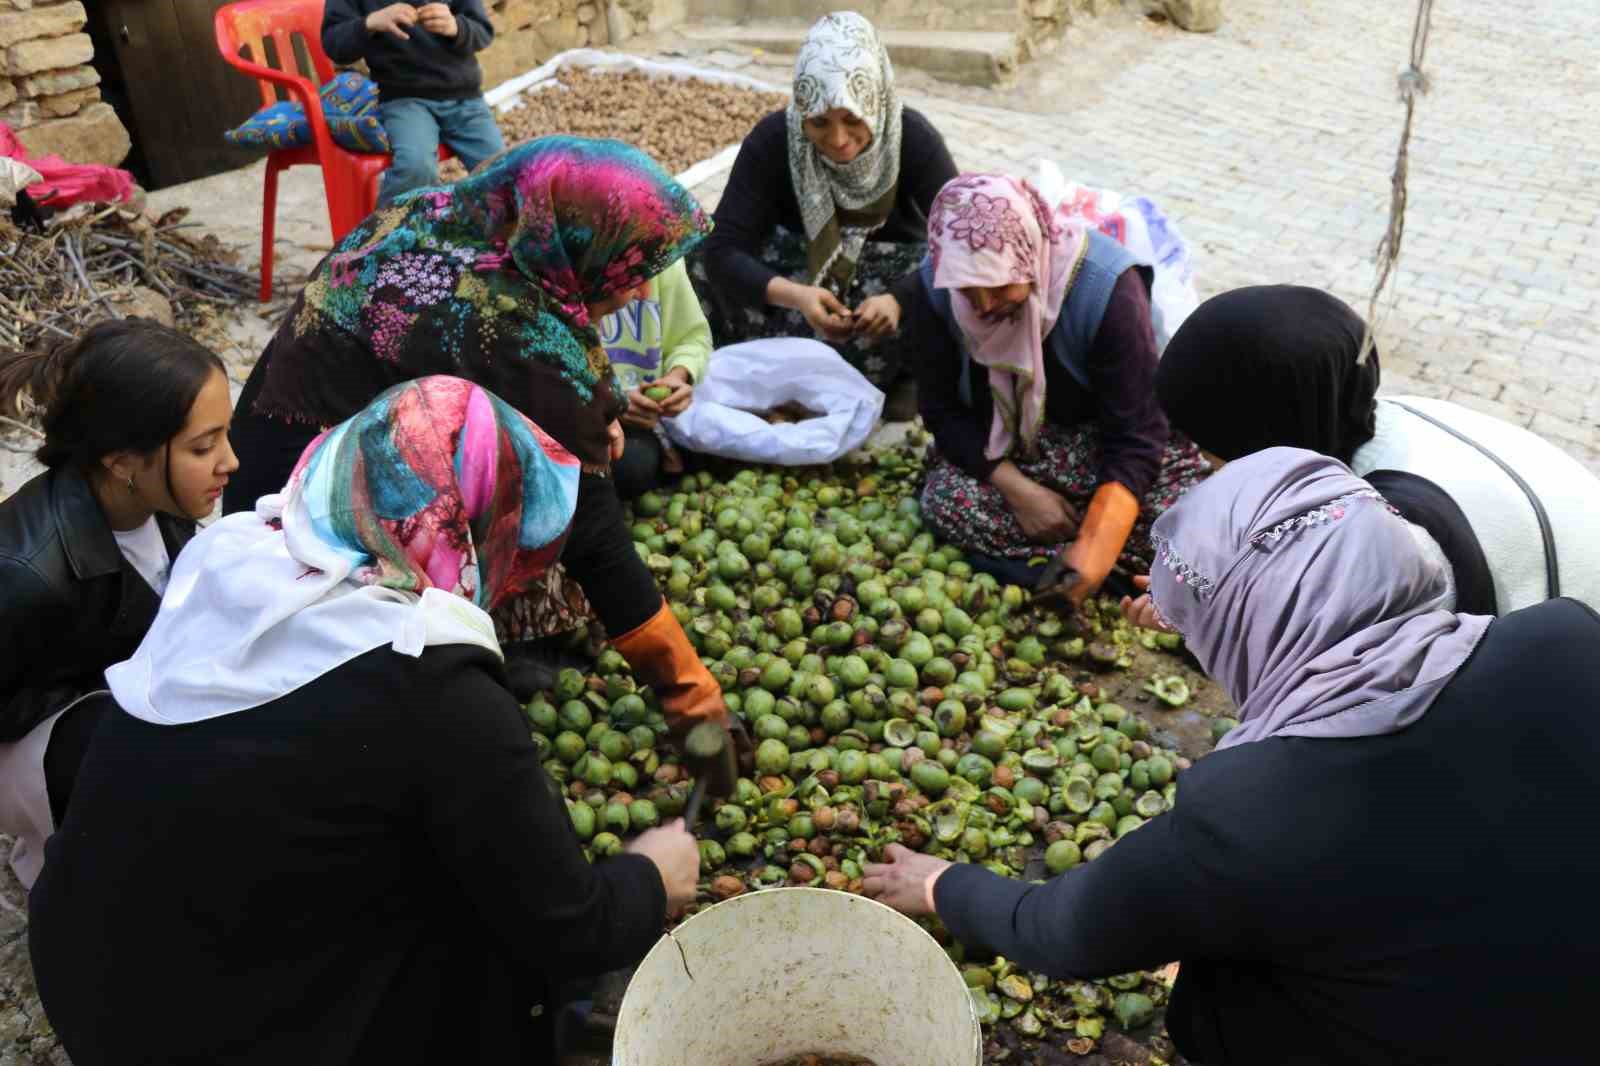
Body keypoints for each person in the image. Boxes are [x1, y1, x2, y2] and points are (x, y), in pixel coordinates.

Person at [30, 376, 701, 1065]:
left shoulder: (232, 554)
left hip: (91, 987)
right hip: (223, 1037)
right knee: (496, 958)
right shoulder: (432, 681)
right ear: (475, 523)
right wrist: (654, 878)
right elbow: (568, 925)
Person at [864, 447, 1600, 1066]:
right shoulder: (1563, 638)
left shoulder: (1251, 808)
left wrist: (940, 883)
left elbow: (1063, 931)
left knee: (1215, 1000)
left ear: (1248, 620)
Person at [222, 135, 742, 758]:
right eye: (632, 274)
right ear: (574, 247)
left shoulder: (454, 216)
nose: (642, 295)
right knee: (554, 480)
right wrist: (690, 694)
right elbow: (592, 528)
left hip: (278, 456)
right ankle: (475, 655)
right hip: (305, 520)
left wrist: (598, 408)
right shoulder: (510, 331)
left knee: (586, 459)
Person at [1155, 284, 1600, 613]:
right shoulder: (1374, 412)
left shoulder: (1387, 533)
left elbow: (1362, 684)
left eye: (1209, 442)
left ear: (1256, 435)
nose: (1206, 461)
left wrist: (1207, 620)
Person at [0, 319, 237, 889]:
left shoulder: (163, 499)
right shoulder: (26, 573)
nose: (228, 461)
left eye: (225, 436)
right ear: (122, 460)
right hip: (37, 746)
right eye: (203, 446)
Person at [907, 173, 1208, 603]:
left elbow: (1138, 436)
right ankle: (1101, 574)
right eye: (967, 290)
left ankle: (1074, 566)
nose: (984, 306)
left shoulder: (1106, 289)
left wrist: (1094, 545)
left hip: (1105, 447)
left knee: (1187, 524)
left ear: (1029, 255)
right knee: (946, 500)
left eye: (997, 286)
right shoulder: (935, 289)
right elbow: (940, 410)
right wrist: (1022, 494)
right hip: (1014, 449)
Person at [694, 11, 958, 417]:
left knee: (955, 284)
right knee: (693, 256)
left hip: (879, 304)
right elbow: (723, 249)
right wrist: (797, 296)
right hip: (801, 291)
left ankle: (897, 375)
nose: (838, 140)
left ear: (875, 102)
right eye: (819, 122)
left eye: (854, 119)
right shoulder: (774, 140)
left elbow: (961, 240)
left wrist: (899, 299)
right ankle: (827, 374)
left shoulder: (913, 139)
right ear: (802, 110)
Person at [322, 1, 505, 205]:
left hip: (464, 100)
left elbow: (483, 32)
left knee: (502, 170)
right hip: (404, 100)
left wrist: (456, 27)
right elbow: (334, 43)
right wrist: (370, 23)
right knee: (415, 167)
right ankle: (387, 232)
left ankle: (511, 230)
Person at [601, 257, 712, 500]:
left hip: (645, 418)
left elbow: (692, 338)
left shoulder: (666, 258)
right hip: (585, 418)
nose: (644, 293)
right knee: (627, 467)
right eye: (632, 278)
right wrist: (608, 404)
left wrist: (678, 375)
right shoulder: (559, 273)